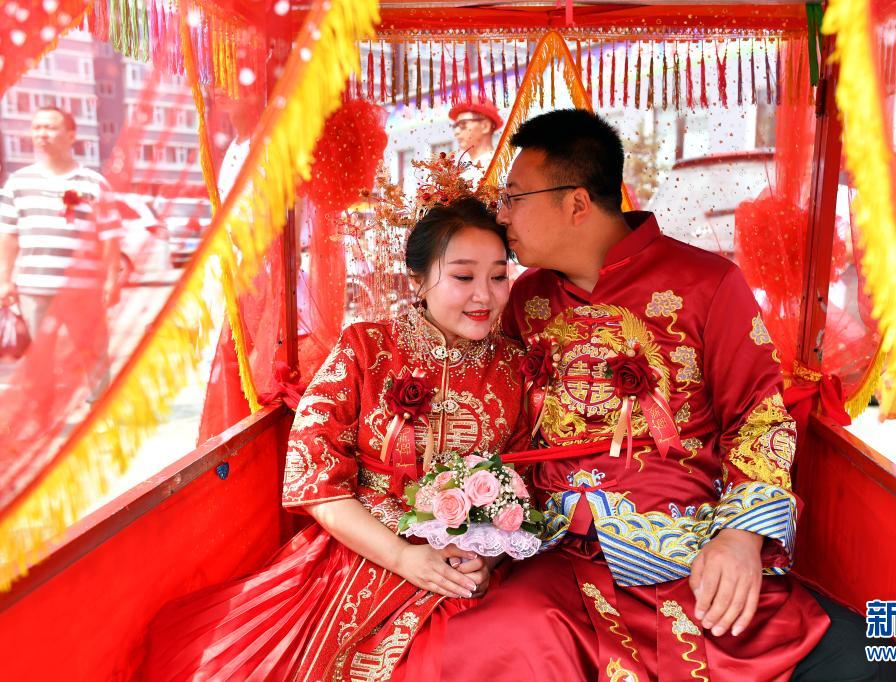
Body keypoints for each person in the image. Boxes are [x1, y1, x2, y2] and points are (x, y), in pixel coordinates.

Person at [425, 110, 896, 681]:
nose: (502, 215)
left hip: (686, 547)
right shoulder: (523, 300)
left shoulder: (706, 284)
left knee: (866, 662)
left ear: (576, 203)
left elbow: (758, 419)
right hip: (559, 557)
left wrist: (740, 537)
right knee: (487, 643)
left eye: (515, 198)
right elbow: (487, 411)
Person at [144, 190, 529, 680]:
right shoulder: (366, 348)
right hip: (361, 551)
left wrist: (488, 561)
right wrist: (402, 556)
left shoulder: (515, 368)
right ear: (418, 279)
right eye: (463, 276)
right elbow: (313, 474)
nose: (485, 296)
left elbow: (524, 484)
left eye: (498, 276)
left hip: (466, 567)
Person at [0, 106, 119, 400]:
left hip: (83, 291)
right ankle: (44, 414)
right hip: (34, 289)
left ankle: (101, 411)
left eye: (50, 128)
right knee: (39, 359)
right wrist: (4, 280)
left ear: (71, 136)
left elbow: (110, 236)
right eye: (37, 128)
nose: (42, 134)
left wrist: (111, 280)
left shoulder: (94, 183)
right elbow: (8, 235)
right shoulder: (18, 183)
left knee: (94, 354)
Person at [449, 95, 503, 185]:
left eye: (463, 124)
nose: (456, 132)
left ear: (485, 126)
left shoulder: (500, 167)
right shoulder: (464, 170)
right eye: (455, 126)